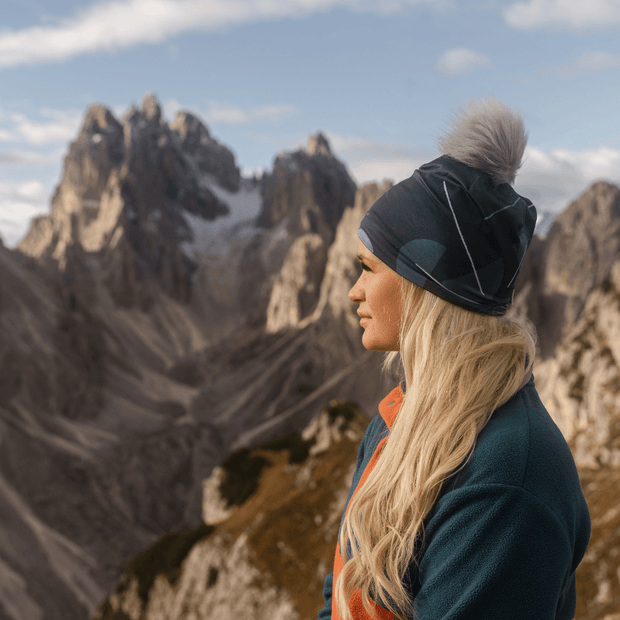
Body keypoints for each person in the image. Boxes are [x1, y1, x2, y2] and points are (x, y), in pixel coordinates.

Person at [316, 97, 591, 620]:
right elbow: (343, 587)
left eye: (368, 268)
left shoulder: (508, 477)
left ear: (425, 285)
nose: (353, 291)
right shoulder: (398, 418)